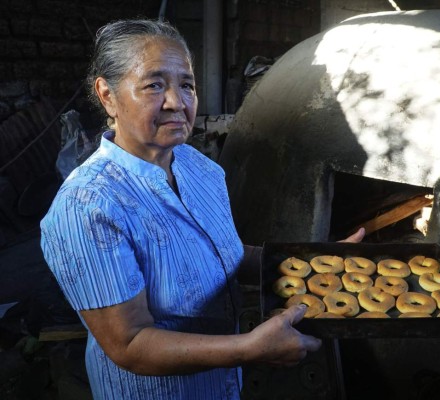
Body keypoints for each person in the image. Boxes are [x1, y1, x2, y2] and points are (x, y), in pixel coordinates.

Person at [40, 18, 365, 400]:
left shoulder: (200, 168)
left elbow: (224, 253)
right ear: (108, 95)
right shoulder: (88, 206)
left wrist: (314, 262)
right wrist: (250, 348)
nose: (177, 102)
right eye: (154, 85)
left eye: (187, 85)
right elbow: (129, 344)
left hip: (222, 386)